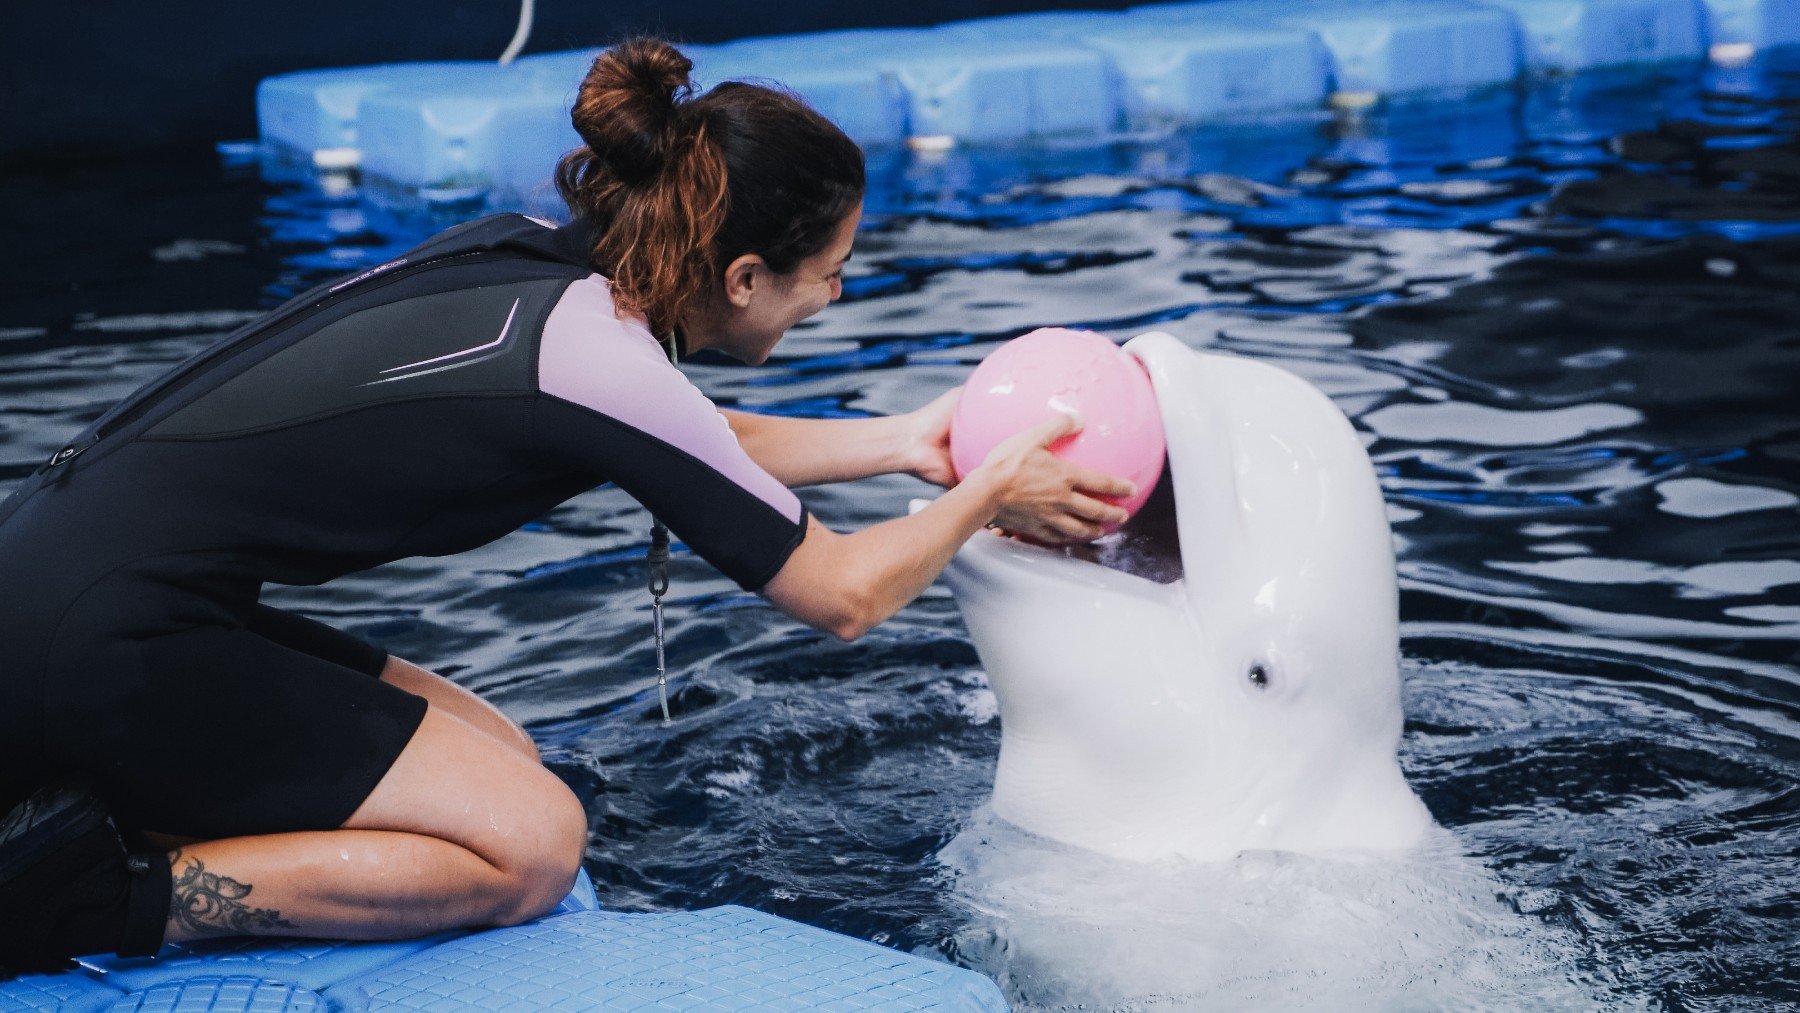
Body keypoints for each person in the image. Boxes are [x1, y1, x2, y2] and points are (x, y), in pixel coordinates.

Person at [0, 38, 1136, 974]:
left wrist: (905, 443)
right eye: (827, 271)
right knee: (533, 846)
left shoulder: (559, 278)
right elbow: (840, 595)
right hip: (107, 638)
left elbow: (692, 440)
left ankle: (108, 803)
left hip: (69, 582)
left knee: (497, 752)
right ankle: (97, 896)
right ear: (744, 277)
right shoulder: (602, 359)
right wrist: (995, 484)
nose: (835, 294)